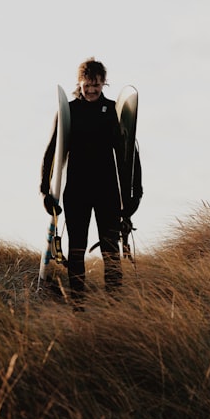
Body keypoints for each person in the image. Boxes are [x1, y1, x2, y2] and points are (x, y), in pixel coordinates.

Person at [39, 57, 142, 300]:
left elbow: (130, 155)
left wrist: (135, 193)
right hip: (76, 192)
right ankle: (78, 306)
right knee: (76, 250)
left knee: (110, 251)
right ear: (80, 83)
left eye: (96, 84)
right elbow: (52, 151)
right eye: (87, 85)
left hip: (107, 191)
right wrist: (45, 190)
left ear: (104, 83)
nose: (92, 89)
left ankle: (114, 306)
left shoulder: (114, 113)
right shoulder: (69, 111)